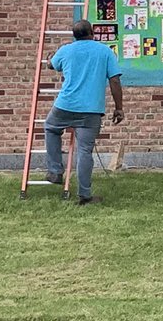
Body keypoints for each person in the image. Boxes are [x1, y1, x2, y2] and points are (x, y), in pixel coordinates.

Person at [45, 20, 125, 205]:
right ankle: (85, 195)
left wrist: (50, 57)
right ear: (92, 32)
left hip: (65, 106)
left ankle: (55, 170)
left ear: (74, 35)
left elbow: (52, 65)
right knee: (84, 151)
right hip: (91, 110)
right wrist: (119, 108)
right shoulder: (105, 51)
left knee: (50, 127)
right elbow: (114, 81)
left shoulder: (66, 50)